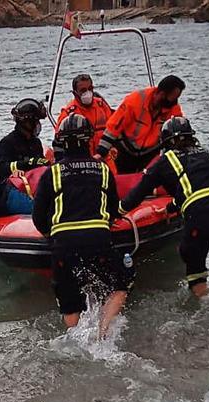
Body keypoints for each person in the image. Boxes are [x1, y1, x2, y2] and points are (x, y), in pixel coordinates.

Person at [119, 117, 209, 314]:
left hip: (200, 215)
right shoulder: (206, 155)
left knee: (195, 269)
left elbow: (137, 193)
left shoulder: (165, 161)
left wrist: (117, 212)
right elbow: (202, 188)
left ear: (166, 142)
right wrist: (171, 208)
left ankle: (205, 306)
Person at [32, 115, 133, 337]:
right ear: (89, 140)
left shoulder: (53, 173)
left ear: (62, 141)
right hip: (98, 240)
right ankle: (103, 332)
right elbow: (113, 210)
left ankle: (75, 339)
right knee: (120, 285)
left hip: (64, 244)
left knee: (70, 302)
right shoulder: (103, 170)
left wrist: (52, 237)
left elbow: (38, 216)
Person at [95, 75, 186, 174]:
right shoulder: (135, 101)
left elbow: (179, 133)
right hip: (125, 151)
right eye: (172, 99)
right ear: (162, 94)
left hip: (150, 154)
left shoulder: (174, 108)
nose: (174, 103)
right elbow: (114, 127)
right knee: (123, 179)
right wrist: (101, 152)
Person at [55, 74, 113, 155]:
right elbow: (58, 140)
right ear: (75, 93)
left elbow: (113, 129)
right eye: (83, 90)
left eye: (90, 89)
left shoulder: (101, 105)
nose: (88, 92)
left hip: (106, 156)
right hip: (83, 159)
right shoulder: (68, 114)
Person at [0, 98, 49, 181]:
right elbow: (1, 169)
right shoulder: (7, 143)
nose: (38, 125)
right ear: (27, 122)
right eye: (36, 121)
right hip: (14, 187)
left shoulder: (36, 143)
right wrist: (28, 163)